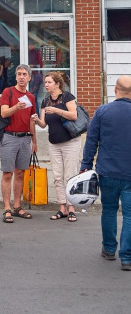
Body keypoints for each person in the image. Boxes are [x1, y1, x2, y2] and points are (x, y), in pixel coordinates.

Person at [80, 75, 131, 271]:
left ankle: (109, 249)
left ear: (115, 90)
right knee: (129, 215)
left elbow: (91, 141)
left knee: (109, 210)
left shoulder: (102, 111)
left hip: (107, 171)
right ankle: (127, 258)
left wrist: (86, 165)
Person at [31, 72, 79, 222]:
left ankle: (72, 208)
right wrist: (37, 119)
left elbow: (74, 115)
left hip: (70, 142)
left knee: (70, 175)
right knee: (57, 176)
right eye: (45, 82)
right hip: (54, 143)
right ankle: (62, 208)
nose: (46, 85)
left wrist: (57, 110)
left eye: (49, 82)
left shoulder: (67, 97)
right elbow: (44, 124)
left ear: (57, 84)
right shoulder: (45, 101)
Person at [0, 64, 37, 223]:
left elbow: (31, 120)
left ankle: (17, 206)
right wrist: (16, 107)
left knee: (20, 173)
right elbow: (3, 113)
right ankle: (7, 208)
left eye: (24, 74)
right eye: (19, 74)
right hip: (9, 137)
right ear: (15, 77)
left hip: (25, 138)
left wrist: (34, 141)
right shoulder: (8, 92)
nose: (22, 77)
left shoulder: (31, 97)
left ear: (29, 78)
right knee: (7, 173)